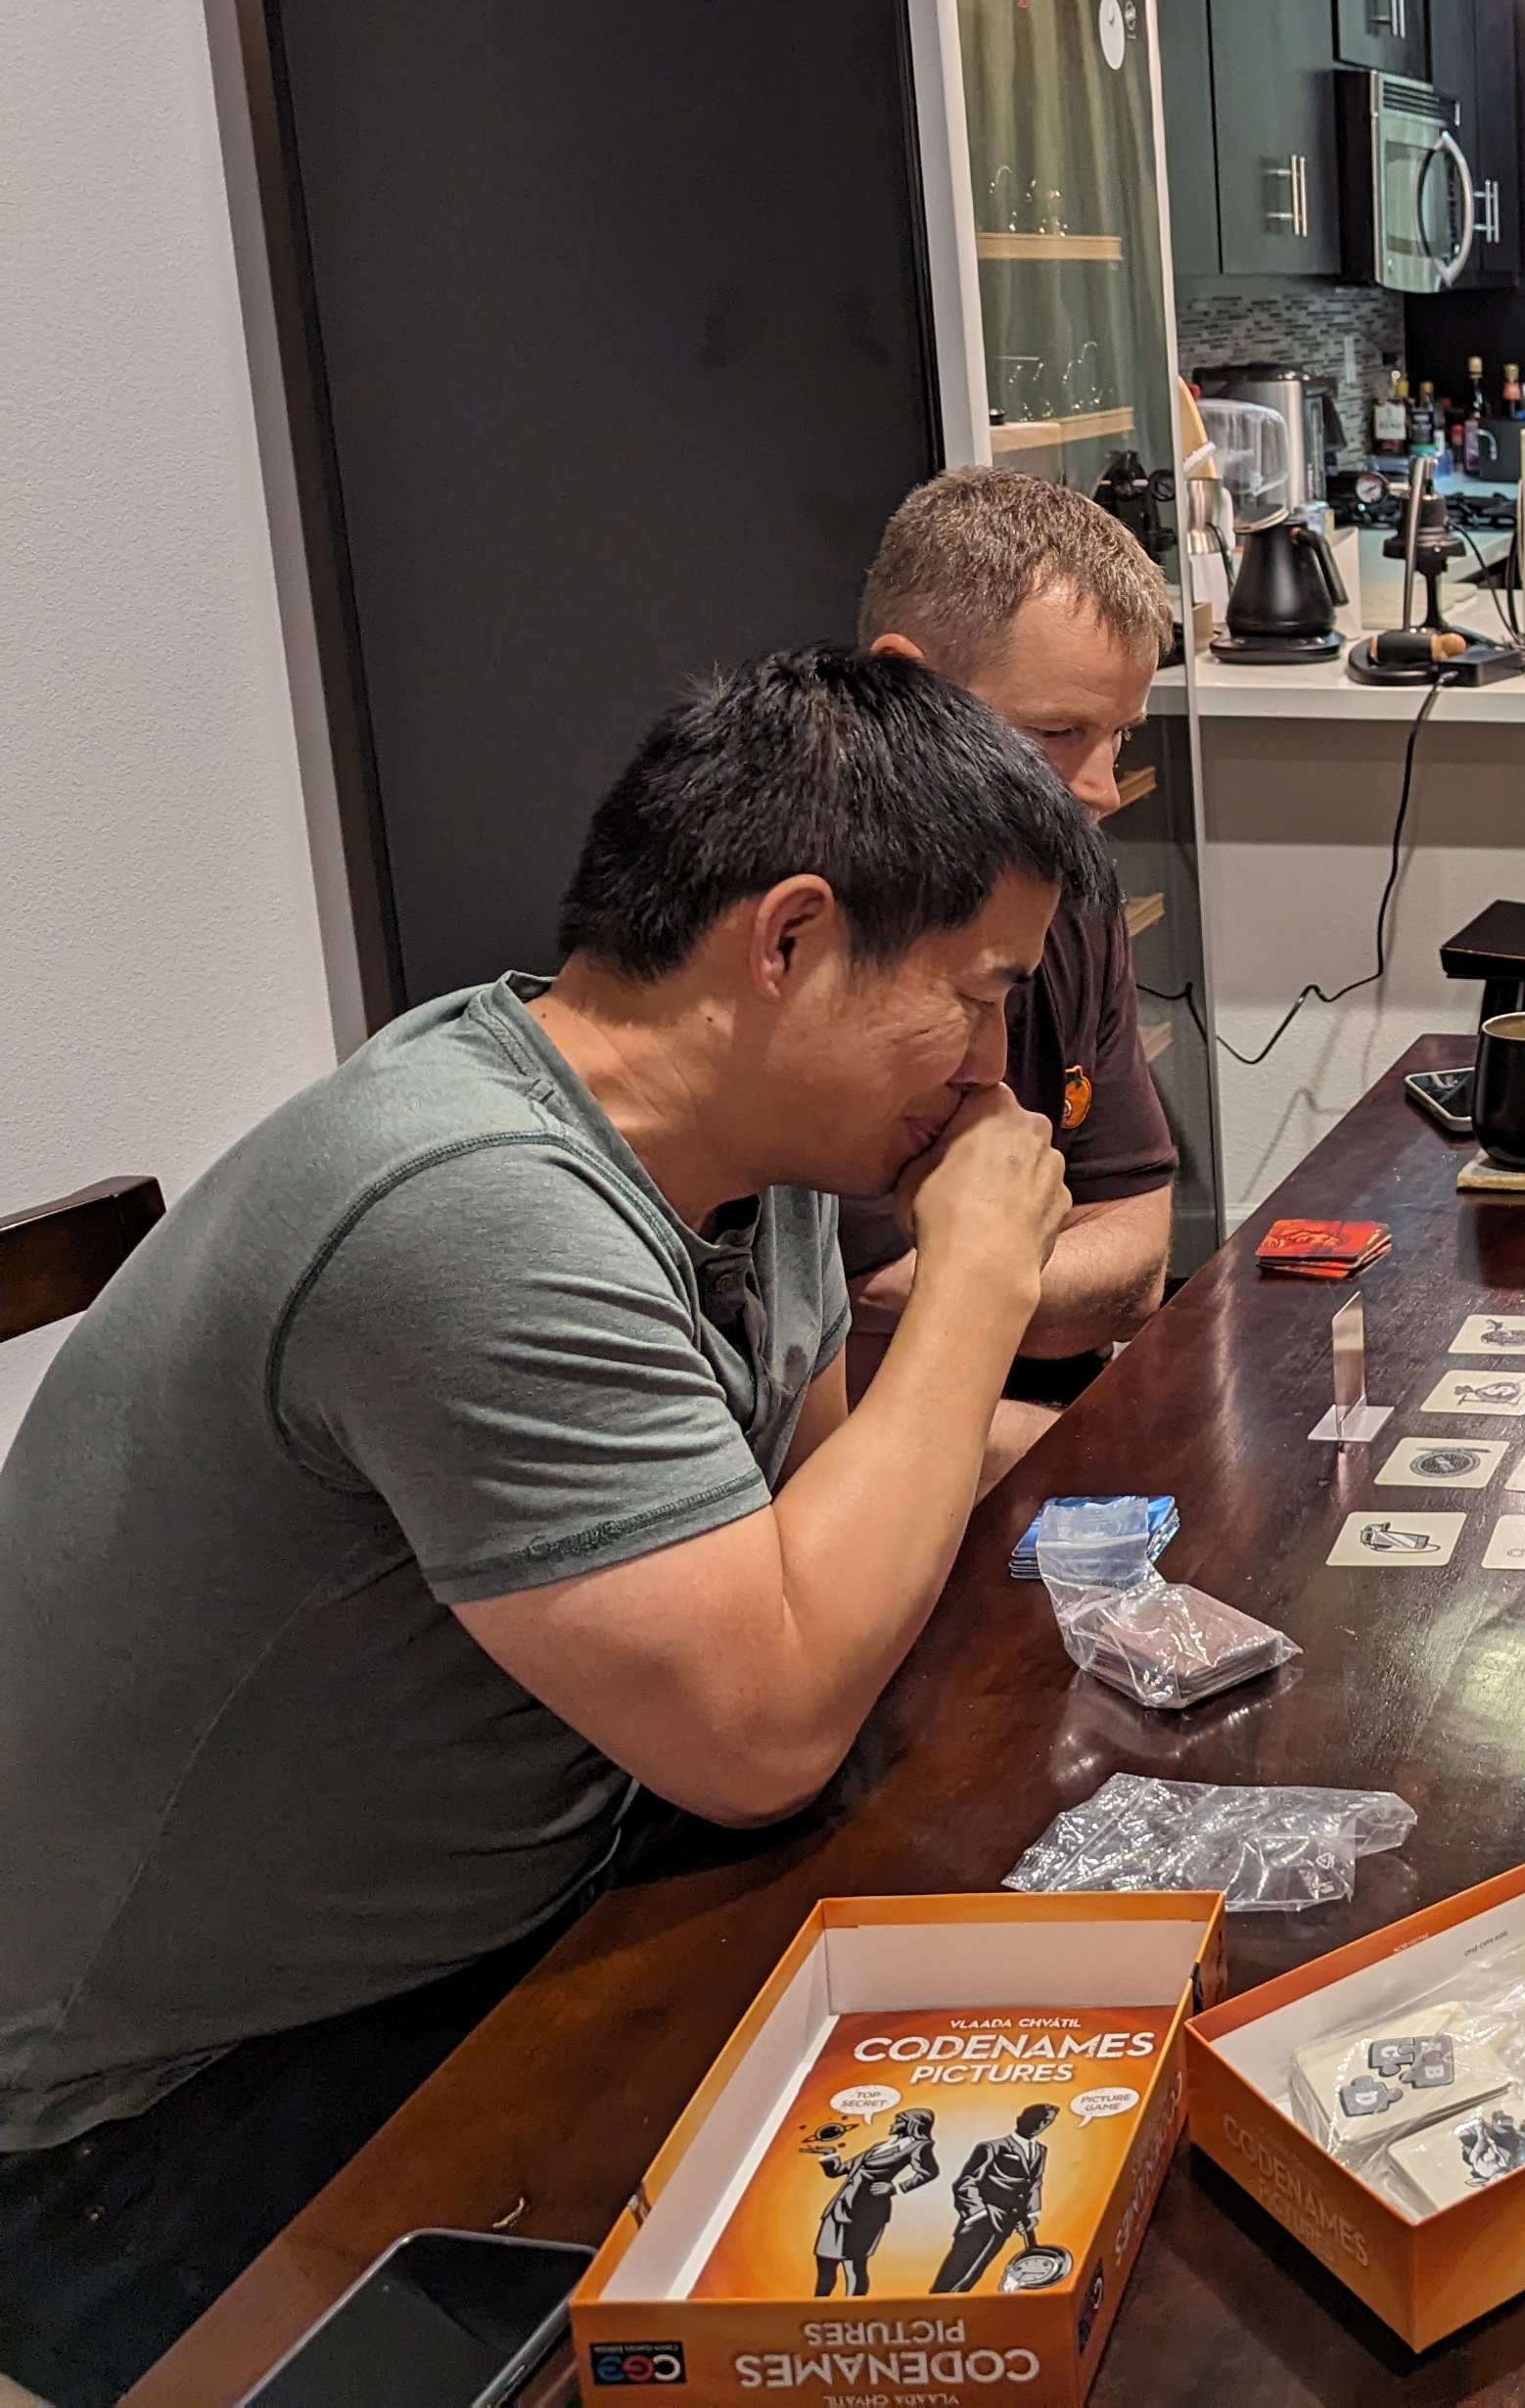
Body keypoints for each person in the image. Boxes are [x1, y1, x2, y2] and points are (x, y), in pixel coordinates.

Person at [0, 648, 1099, 2405]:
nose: (995, 1073)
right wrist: (980, 1274)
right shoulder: (472, 1210)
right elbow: (764, 1728)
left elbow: (820, 1537)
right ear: (790, 941)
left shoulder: (749, 1152)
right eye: (978, 1000)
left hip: (528, 1904)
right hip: (157, 2121)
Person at [849, 470, 1182, 1464]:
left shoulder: (1073, 888)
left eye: (1119, 736)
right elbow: (813, 1384)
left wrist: (959, 1282)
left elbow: (1136, 1261)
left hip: (1024, 1424)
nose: (1103, 790)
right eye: (1057, 733)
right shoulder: (818, 947)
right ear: (907, 688)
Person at [934, 2105, 1061, 2292]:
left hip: (1009, 2221)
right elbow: (966, 2183)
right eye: (1036, 2119)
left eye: (1046, 2121)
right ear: (1020, 2119)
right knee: (955, 2272)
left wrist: (1032, 2214)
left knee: (975, 2273)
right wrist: (979, 2214)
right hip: (982, 2220)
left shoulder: (1041, 2150)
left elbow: (1035, 2183)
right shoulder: (991, 2147)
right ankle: (936, 2304)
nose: (1040, 2125)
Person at [816, 2107, 941, 2296]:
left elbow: (929, 2172)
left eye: (898, 2120)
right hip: (838, 2209)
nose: (893, 2124)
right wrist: (830, 2154)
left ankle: (853, 2309)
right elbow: (838, 2171)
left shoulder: (918, 2146)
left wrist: (895, 2188)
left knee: (853, 2265)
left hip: (866, 2212)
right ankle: (818, 2308)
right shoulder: (879, 2146)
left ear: (911, 2124)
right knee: (825, 2264)